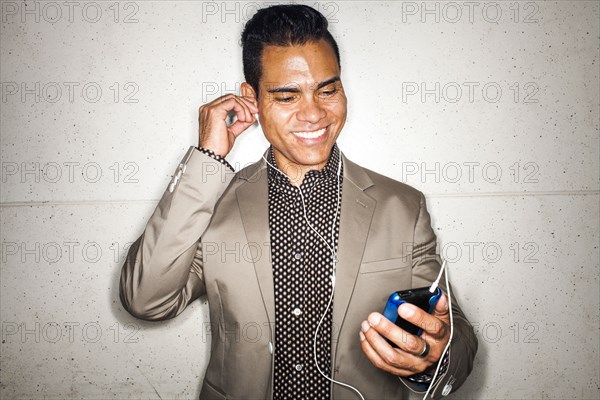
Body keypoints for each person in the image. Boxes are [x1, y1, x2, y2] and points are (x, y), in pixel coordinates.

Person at [120, 4, 477, 400]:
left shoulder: (403, 207)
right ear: (251, 98)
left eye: (328, 90)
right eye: (288, 97)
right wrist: (207, 160)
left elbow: (455, 333)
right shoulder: (211, 203)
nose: (314, 114)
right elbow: (145, 300)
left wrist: (435, 353)